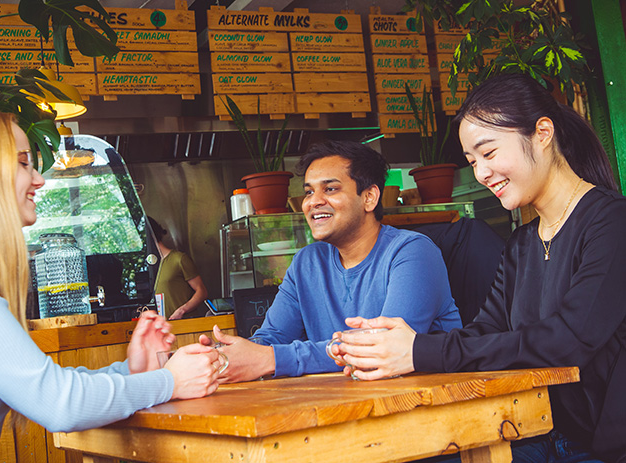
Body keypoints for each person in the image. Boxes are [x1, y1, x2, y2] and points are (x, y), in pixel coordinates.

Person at [0, 109, 222, 463]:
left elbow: (40, 384)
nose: (39, 179)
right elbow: (59, 403)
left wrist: (130, 370)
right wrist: (170, 382)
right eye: (24, 163)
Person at [332, 74, 625, 462]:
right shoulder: (522, 244)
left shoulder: (613, 223)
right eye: (472, 162)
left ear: (542, 133)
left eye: (488, 153)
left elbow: (569, 340)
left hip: (602, 449)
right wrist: (390, 347)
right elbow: (484, 333)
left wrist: (421, 352)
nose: (482, 174)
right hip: (534, 435)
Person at [203, 140, 463, 383]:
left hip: (419, 408)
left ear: (369, 197)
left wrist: (270, 359)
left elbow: (381, 349)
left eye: (330, 189)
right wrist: (224, 355)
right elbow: (273, 337)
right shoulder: (307, 262)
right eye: (308, 192)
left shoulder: (412, 252)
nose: (314, 202)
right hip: (341, 408)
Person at [149, 216, 208, 320]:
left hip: (184, 326)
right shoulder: (148, 268)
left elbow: (202, 291)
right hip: (162, 330)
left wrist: (182, 311)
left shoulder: (179, 259)